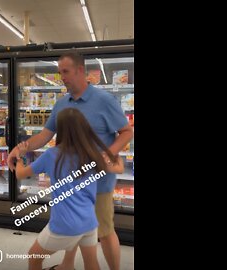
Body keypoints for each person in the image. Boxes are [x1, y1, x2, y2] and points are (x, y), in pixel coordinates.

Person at [8, 51, 134, 270]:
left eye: (65, 72)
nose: (62, 77)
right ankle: (68, 265)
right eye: (59, 72)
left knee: (105, 232)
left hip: (99, 182)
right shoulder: (62, 104)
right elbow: (44, 136)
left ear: (80, 71)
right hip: (72, 182)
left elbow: (126, 131)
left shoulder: (104, 100)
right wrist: (19, 148)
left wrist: (106, 155)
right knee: (80, 229)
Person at [15, 108, 124, 270]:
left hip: (63, 225)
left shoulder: (51, 155)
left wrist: (20, 157)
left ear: (60, 130)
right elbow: (119, 168)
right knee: (92, 264)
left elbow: (20, 173)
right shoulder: (92, 153)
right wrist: (112, 153)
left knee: (34, 257)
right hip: (89, 222)